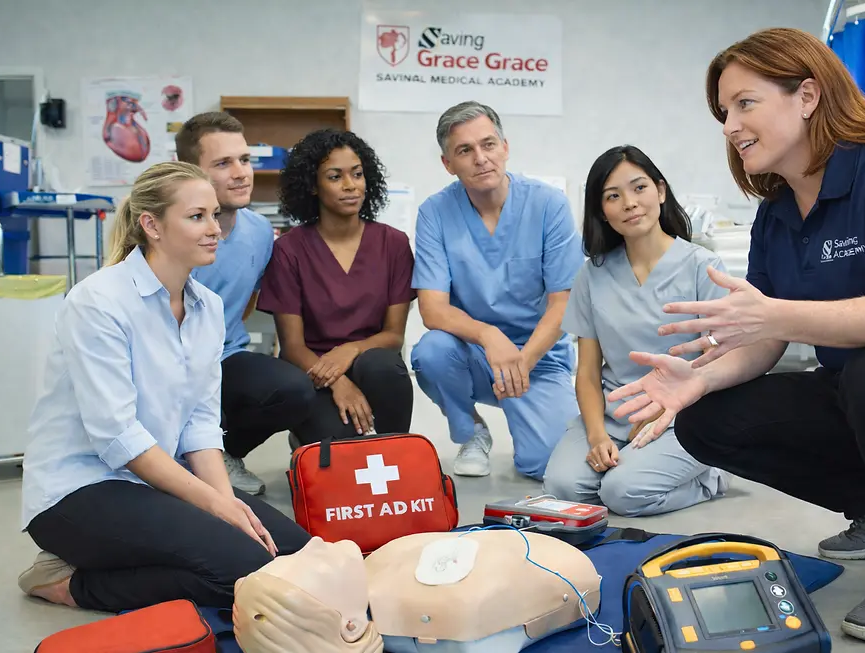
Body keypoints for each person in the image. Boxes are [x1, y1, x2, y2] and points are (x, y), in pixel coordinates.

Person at [609, 27, 865, 644]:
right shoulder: (777, 211)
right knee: (708, 419)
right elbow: (763, 335)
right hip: (861, 391)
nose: (728, 125)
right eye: (723, 111)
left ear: (807, 95)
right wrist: (701, 379)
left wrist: (779, 317)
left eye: (745, 103)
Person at [17, 161, 311, 613]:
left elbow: (199, 423)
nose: (215, 228)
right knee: (245, 571)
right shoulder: (97, 302)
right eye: (197, 217)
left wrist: (226, 502)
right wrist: (215, 509)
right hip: (79, 490)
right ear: (151, 225)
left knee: (296, 556)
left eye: (215, 215)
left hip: (154, 482)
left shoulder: (207, 307)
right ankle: (67, 583)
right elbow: (119, 439)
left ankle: (149, 553)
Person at [542, 146, 729, 516]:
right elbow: (588, 374)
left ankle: (712, 476)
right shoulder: (592, 274)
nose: (629, 203)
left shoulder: (703, 267)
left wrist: (666, 411)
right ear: (601, 211)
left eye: (639, 188)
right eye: (613, 196)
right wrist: (596, 436)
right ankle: (629, 461)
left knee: (622, 492)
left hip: (686, 415)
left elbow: (723, 362)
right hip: (615, 415)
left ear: (660, 191)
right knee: (564, 488)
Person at [411, 101, 584, 479]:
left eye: (489, 145)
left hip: (538, 359)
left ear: (505, 147)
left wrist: (522, 362)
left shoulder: (547, 205)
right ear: (448, 164)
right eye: (464, 150)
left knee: (550, 468)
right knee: (431, 352)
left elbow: (563, 303)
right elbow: (432, 310)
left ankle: (531, 419)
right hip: (474, 354)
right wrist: (489, 336)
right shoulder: (435, 213)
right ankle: (471, 432)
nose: (480, 158)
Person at [176, 112, 316, 496]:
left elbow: (247, 300)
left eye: (245, 160)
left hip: (224, 355)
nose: (241, 173)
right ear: (189, 170)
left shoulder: (258, 232)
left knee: (295, 391)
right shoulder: (171, 232)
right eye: (223, 164)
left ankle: (227, 454)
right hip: (169, 360)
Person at [256, 129, 414, 443]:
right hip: (314, 371)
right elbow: (292, 347)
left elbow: (394, 336)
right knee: (341, 447)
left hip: (372, 363)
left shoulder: (393, 244)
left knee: (385, 367)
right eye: (334, 176)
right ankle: (307, 434)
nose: (350, 185)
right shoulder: (289, 250)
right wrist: (339, 382)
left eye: (357, 174)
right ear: (313, 186)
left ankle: (397, 455)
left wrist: (350, 350)